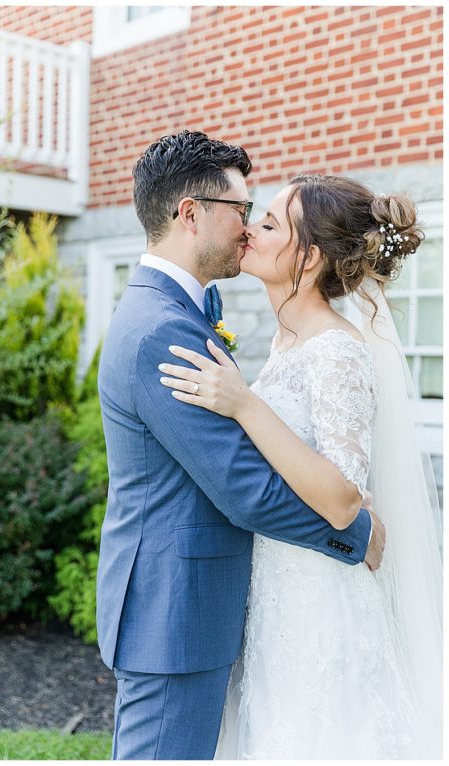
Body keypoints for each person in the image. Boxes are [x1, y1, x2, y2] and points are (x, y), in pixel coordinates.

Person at [94, 131, 384, 760]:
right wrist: (355, 533)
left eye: (262, 218)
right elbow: (243, 488)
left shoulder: (190, 308)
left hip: (219, 607)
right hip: (173, 612)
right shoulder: (161, 329)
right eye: (242, 211)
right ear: (190, 214)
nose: (248, 230)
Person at [159, 175, 442, 758]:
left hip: (320, 600)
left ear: (309, 258)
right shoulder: (289, 343)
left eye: (268, 225)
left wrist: (244, 404)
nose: (249, 230)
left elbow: (343, 499)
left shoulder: (335, 349)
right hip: (277, 587)